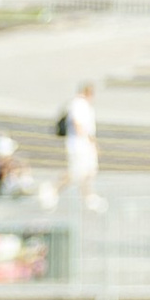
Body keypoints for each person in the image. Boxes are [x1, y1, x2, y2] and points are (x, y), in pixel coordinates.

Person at [55, 81, 102, 212]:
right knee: (76, 172)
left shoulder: (84, 105)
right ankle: (53, 190)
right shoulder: (78, 104)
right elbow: (78, 125)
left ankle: (88, 197)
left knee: (88, 172)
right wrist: (89, 141)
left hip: (84, 144)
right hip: (80, 145)